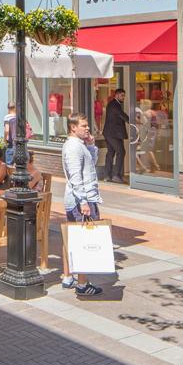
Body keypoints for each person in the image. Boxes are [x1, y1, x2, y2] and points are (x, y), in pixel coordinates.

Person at [61, 113, 103, 297]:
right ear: (73, 127)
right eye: (84, 126)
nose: (87, 128)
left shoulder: (80, 145)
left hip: (77, 199)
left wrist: (92, 145)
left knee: (70, 238)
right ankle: (82, 283)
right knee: (84, 240)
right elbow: (76, 176)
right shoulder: (73, 147)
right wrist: (84, 201)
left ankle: (68, 276)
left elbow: (90, 165)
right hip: (81, 200)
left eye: (87, 125)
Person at [103, 89, 129, 183]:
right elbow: (121, 114)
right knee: (121, 151)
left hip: (110, 133)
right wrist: (131, 120)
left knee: (110, 153)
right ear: (117, 95)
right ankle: (116, 175)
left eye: (124, 96)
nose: (123, 98)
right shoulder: (114, 104)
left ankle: (107, 175)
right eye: (122, 95)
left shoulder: (113, 104)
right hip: (113, 134)